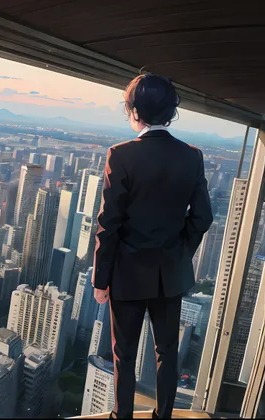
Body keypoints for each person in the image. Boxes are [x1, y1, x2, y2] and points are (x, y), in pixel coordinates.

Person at [92, 74, 214, 418]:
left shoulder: (121, 155)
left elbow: (109, 223)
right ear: (171, 112)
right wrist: (178, 253)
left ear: (133, 112)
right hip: (169, 274)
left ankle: (123, 416)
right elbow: (202, 217)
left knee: (124, 355)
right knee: (167, 352)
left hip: (127, 275)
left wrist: (102, 280)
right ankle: (163, 417)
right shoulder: (192, 156)